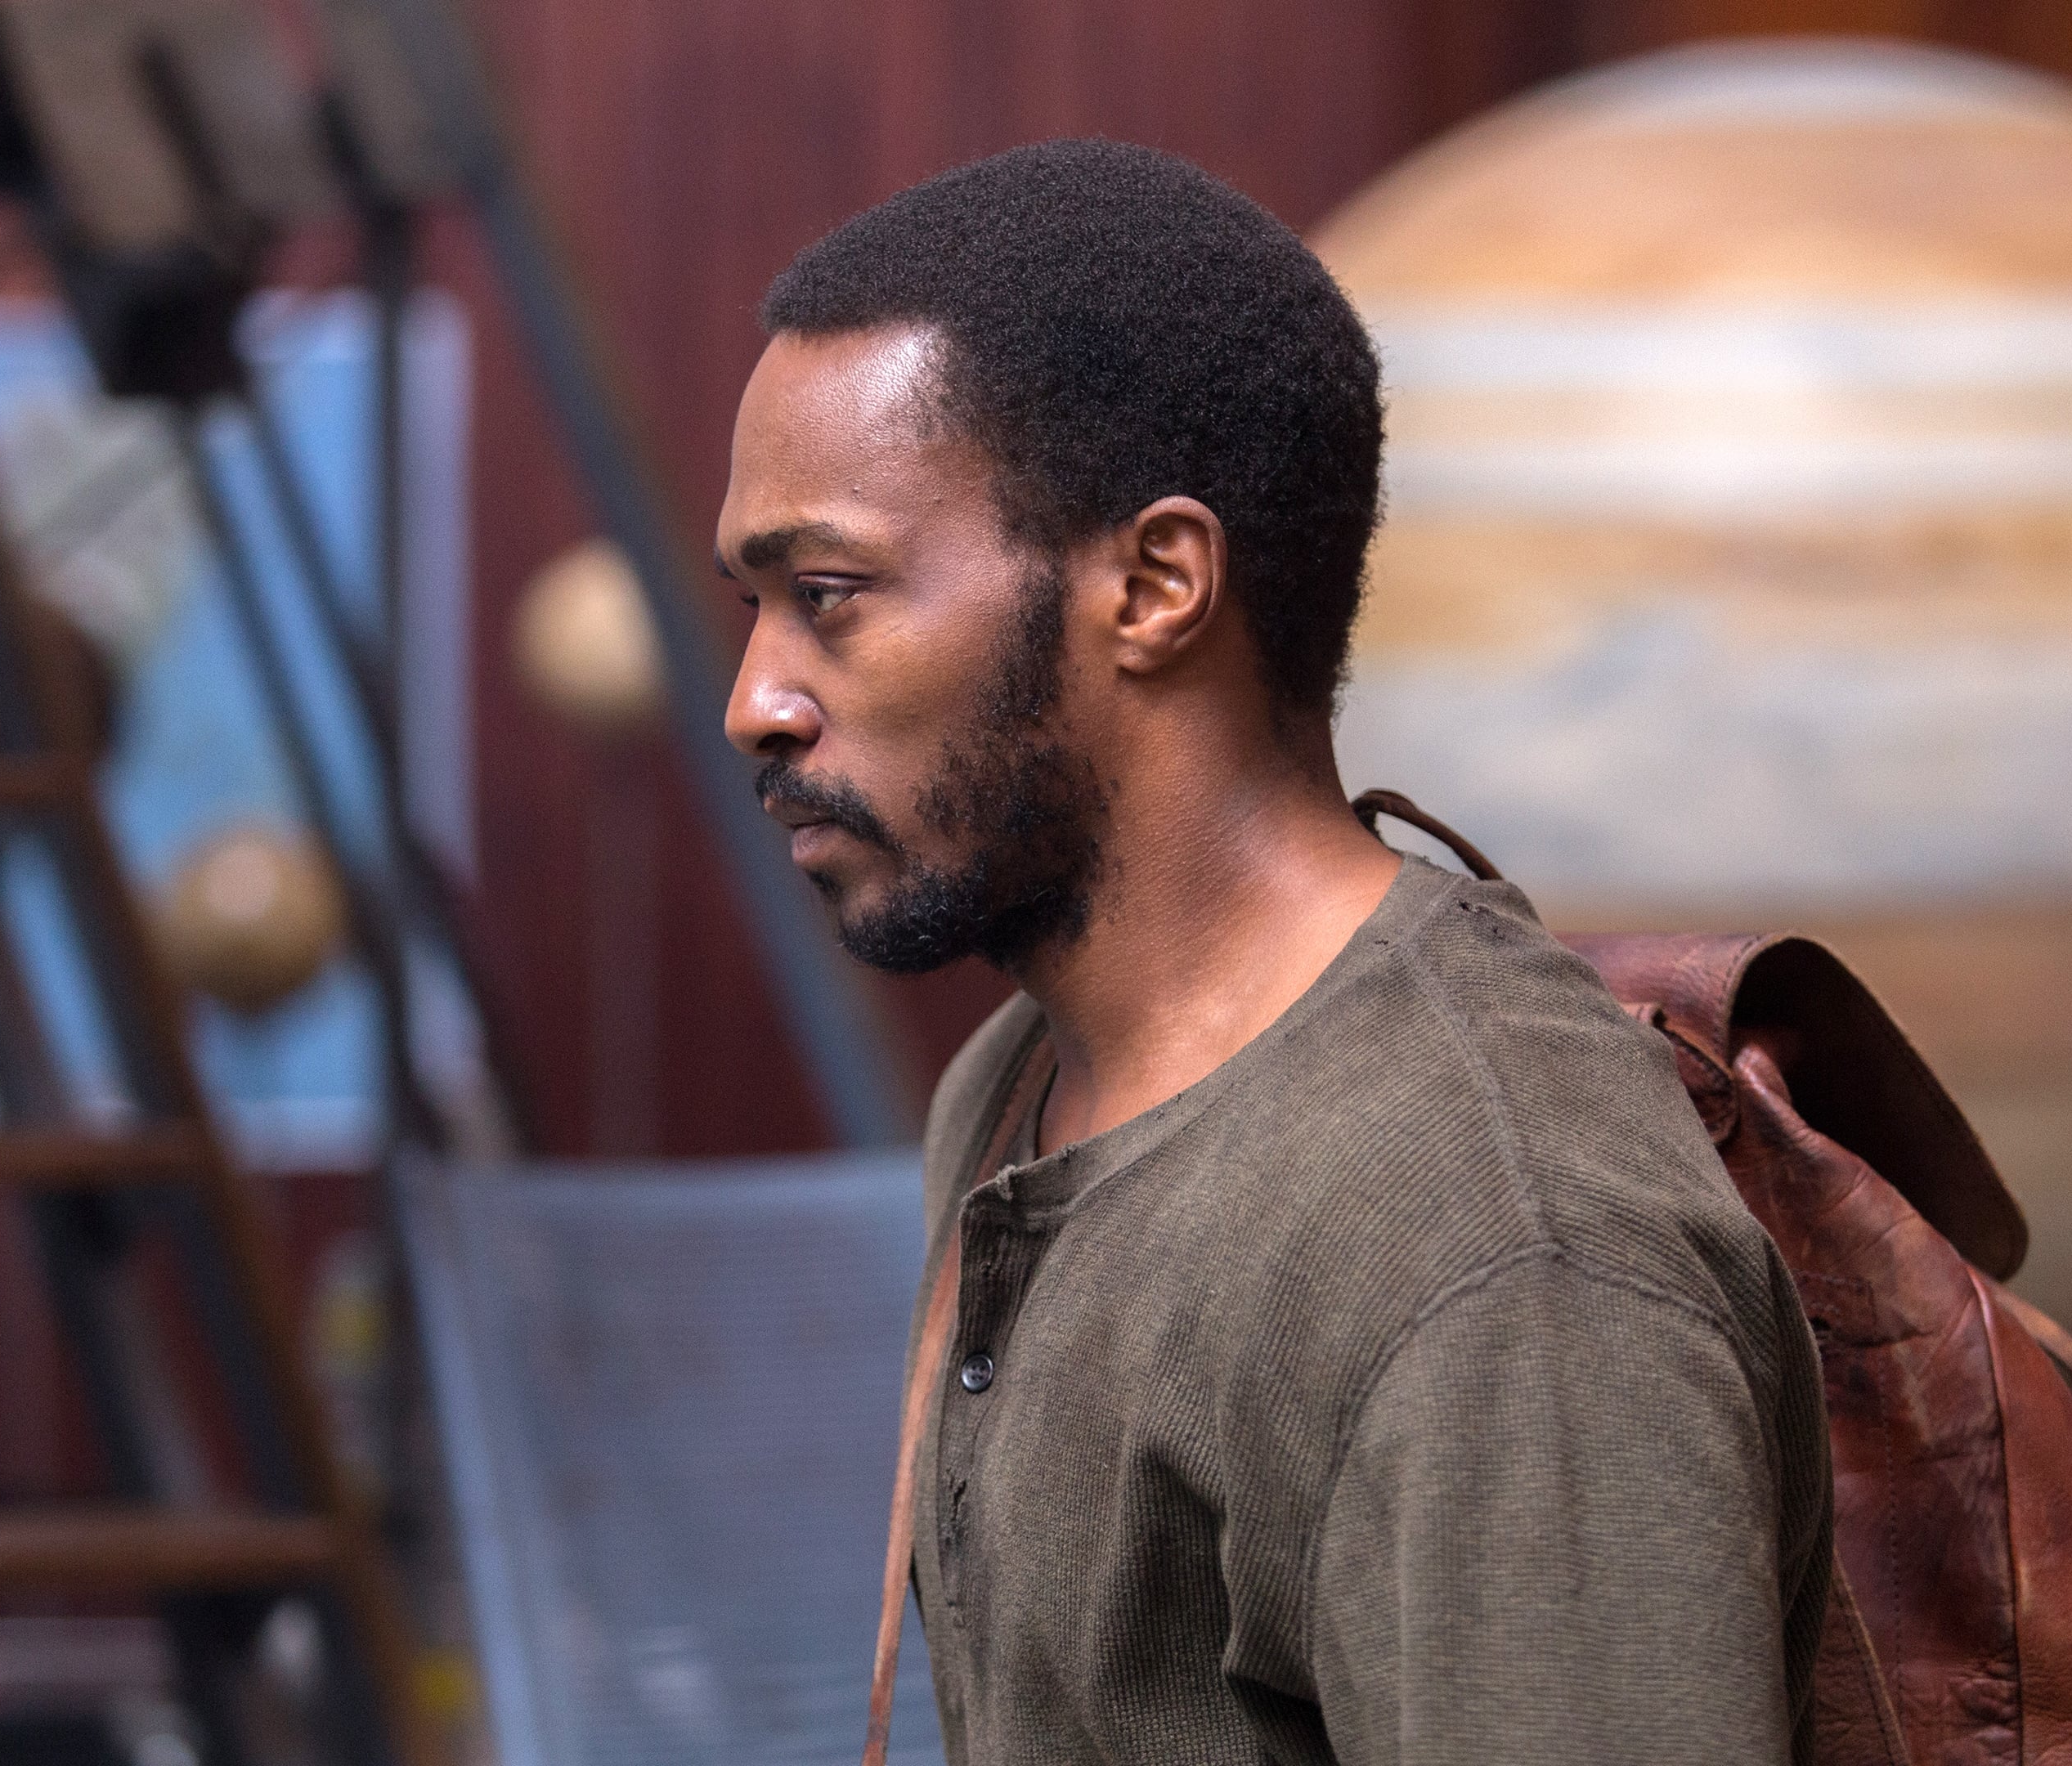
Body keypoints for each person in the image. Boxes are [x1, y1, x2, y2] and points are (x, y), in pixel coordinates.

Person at [718, 140, 1832, 1764]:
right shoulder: (1018, 1077)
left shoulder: (1500, 1245)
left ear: (1155, 585)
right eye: (751, 608)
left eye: (827, 595)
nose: (755, 702)